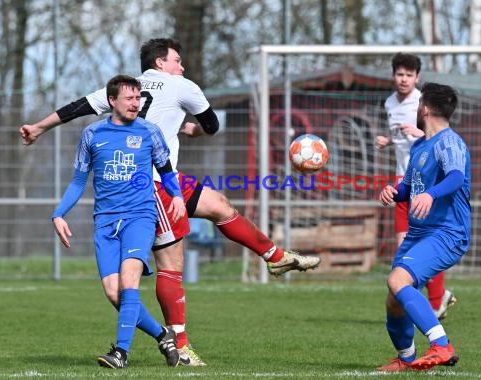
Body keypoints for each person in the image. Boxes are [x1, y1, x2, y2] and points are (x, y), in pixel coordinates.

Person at [20, 38, 321, 365]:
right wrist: (193, 129)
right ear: (161, 62)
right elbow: (213, 125)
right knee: (171, 265)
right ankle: (180, 346)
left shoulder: (125, 91)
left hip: (167, 179)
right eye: (177, 60)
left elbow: (75, 108)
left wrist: (38, 127)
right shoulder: (181, 85)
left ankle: (274, 256)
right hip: (150, 186)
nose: (182, 66)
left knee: (219, 204)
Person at [52, 75, 184, 369]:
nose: (135, 104)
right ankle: (163, 335)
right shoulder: (92, 134)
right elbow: (77, 182)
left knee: (129, 281)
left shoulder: (150, 132)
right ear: (112, 101)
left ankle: (120, 353)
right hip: (105, 222)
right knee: (115, 293)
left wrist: (175, 196)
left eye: (138, 98)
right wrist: (59, 213)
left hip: (140, 216)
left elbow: (166, 170)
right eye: (129, 98)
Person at [377, 82, 470, 372]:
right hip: (419, 234)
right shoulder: (420, 145)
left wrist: (431, 194)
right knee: (394, 299)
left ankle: (441, 345)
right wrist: (394, 192)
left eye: (419, 104)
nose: (416, 108)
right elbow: (409, 186)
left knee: (397, 282)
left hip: (446, 232)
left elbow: (455, 177)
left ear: (425, 108)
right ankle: (406, 358)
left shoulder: (449, 142)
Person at [375, 53, 456, 320]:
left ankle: (435, 299)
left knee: (424, 244)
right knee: (405, 246)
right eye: (400, 74)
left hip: (425, 180)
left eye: (409, 75)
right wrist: (388, 140)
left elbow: (438, 135)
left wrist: (419, 132)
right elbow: (402, 136)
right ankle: (423, 301)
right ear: (393, 75)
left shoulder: (423, 103)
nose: (404, 79)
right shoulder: (389, 103)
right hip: (403, 180)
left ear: (417, 78)